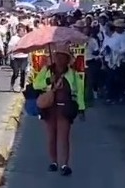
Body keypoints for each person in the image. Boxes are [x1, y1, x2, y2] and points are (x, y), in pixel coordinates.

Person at [31, 44, 86, 176]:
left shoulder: (72, 74)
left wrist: (81, 109)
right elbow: (36, 84)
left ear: (68, 59)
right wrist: (50, 80)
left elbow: (79, 92)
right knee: (51, 136)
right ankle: (53, 162)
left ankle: (64, 164)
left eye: (64, 57)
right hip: (49, 108)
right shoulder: (47, 71)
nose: (61, 59)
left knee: (64, 137)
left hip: (65, 108)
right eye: (58, 56)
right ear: (55, 58)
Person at [8, 25, 29, 92]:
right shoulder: (14, 38)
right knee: (16, 73)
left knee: (23, 71)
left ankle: (22, 86)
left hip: (24, 57)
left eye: (24, 31)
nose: (22, 33)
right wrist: (10, 55)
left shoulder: (26, 38)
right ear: (18, 31)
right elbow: (10, 47)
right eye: (21, 31)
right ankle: (12, 84)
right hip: (15, 57)